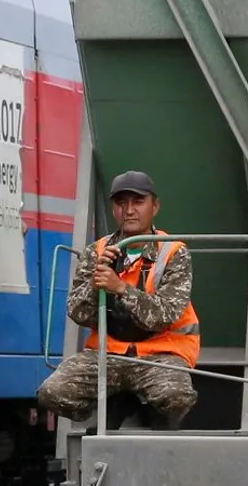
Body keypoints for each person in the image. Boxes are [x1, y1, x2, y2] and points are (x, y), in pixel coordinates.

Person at [38, 170, 199, 429]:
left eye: (138, 202)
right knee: (52, 394)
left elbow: (166, 314)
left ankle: (155, 424)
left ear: (154, 206)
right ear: (113, 209)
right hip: (108, 354)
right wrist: (94, 286)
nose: (129, 210)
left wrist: (120, 288)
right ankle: (113, 406)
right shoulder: (97, 252)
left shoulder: (173, 252)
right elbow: (77, 313)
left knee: (177, 398)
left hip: (161, 353)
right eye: (121, 203)